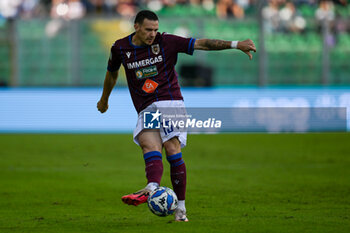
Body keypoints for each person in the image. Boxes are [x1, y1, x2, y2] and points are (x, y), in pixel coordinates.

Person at [97, 10, 256, 222]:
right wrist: (105, 99)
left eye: (155, 29)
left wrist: (236, 44)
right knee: (149, 145)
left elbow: (203, 44)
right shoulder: (119, 48)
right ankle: (152, 187)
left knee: (172, 149)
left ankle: (180, 208)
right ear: (136, 26)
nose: (153, 34)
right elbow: (112, 72)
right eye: (148, 30)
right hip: (146, 107)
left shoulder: (167, 42)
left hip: (171, 103)